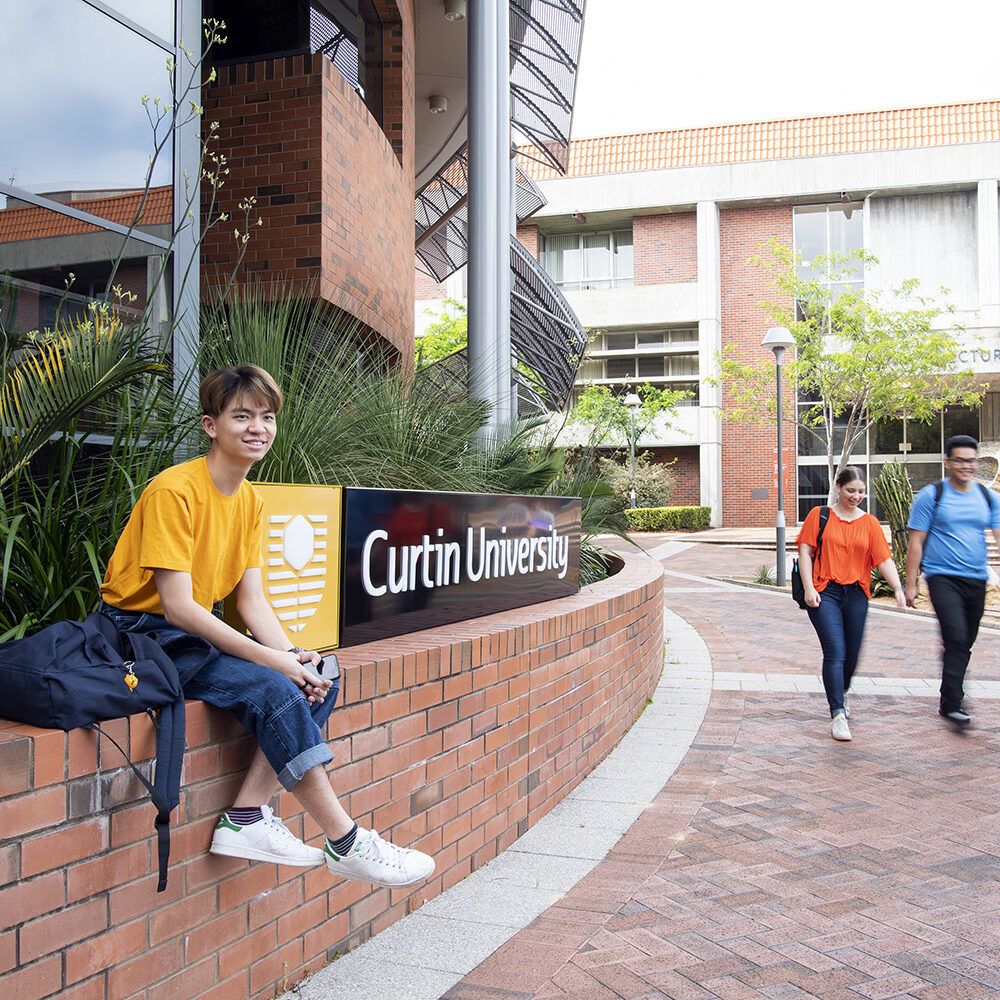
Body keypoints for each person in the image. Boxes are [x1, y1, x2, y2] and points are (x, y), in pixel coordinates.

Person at [99, 365, 435, 887]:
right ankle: (346, 842)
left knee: (320, 672)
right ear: (211, 425)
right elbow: (180, 607)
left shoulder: (251, 499)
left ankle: (247, 816)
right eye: (242, 416)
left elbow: (251, 600)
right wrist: (274, 661)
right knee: (273, 688)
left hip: (184, 632)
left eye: (267, 416)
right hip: (139, 633)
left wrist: (294, 656)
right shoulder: (175, 492)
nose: (258, 427)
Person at [797, 466, 905, 742]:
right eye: (850, 490)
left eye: (860, 491)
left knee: (852, 654)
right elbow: (806, 552)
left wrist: (897, 589)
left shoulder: (869, 523)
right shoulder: (819, 515)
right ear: (838, 487)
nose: (856, 496)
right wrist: (809, 587)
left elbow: (883, 559)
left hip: (856, 593)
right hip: (825, 592)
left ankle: (840, 692)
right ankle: (837, 713)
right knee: (835, 651)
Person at [905, 434, 1000, 728]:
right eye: (959, 460)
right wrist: (910, 583)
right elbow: (916, 542)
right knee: (957, 637)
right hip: (942, 578)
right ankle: (952, 704)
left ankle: (949, 697)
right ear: (947, 463)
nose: (966, 466)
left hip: (976, 579)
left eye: (971, 461)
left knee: (964, 642)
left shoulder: (987, 497)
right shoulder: (932, 495)